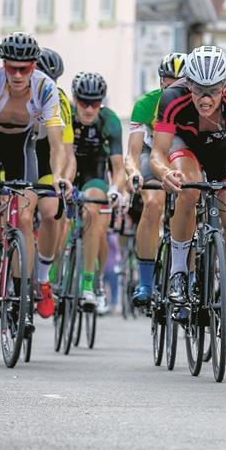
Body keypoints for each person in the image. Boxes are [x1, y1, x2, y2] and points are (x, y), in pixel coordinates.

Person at [0, 33, 70, 314]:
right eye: (12, 68)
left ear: (34, 66)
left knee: (24, 216)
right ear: (3, 66)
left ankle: (22, 293)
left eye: (24, 68)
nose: (18, 74)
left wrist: (58, 175)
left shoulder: (45, 88)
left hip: (22, 147)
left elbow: (57, 144)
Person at [150, 46, 226, 320]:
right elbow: (158, 152)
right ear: (188, 84)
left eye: (213, 90)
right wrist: (164, 172)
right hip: (185, 146)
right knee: (190, 188)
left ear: (225, 84)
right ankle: (178, 272)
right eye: (198, 89)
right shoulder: (173, 97)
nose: (206, 98)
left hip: (222, 152)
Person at [125, 51, 186, 306]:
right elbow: (133, 153)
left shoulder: (194, 102)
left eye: (179, 81)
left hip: (183, 152)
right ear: (161, 81)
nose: (172, 86)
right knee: (152, 205)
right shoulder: (146, 103)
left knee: (191, 205)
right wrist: (133, 172)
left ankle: (188, 278)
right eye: (168, 80)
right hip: (154, 153)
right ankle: (146, 283)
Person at [69, 71, 125, 312]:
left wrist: (115, 189)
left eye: (95, 103)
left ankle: (92, 282)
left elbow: (118, 166)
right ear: (74, 99)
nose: (89, 109)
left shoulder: (109, 120)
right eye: (83, 102)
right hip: (69, 172)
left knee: (96, 220)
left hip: (96, 174)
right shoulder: (66, 116)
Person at [31, 47, 75, 319]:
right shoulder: (12, 91)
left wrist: (64, 179)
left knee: (51, 213)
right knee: (14, 214)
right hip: (14, 155)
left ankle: (43, 279)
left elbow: (67, 151)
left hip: (46, 159)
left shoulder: (59, 99)